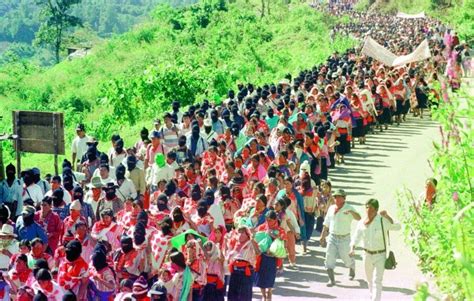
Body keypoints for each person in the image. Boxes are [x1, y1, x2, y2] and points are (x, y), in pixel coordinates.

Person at [350, 199, 401, 301]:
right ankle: (372, 297)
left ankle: (375, 299)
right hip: (366, 255)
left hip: (380, 255)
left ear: (376, 209)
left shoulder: (382, 220)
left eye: (371, 208)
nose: (368, 210)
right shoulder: (362, 222)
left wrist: (387, 216)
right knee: (369, 280)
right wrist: (352, 247)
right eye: (367, 207)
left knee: (377, 280)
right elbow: (356, 236)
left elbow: (398, 226)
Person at [319, 189, 360, 286]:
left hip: (344, 238)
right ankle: (331, 280)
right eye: (335, 196)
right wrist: (322, 235)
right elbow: (326, 223)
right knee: (329, 258)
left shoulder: (349, 208)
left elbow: (359, 218)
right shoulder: (331, 208)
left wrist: (351, 212)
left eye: (338, 196)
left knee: (346, 258)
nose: (336, 198)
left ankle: (352, 267)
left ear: (344, 198)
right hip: (333, 237)